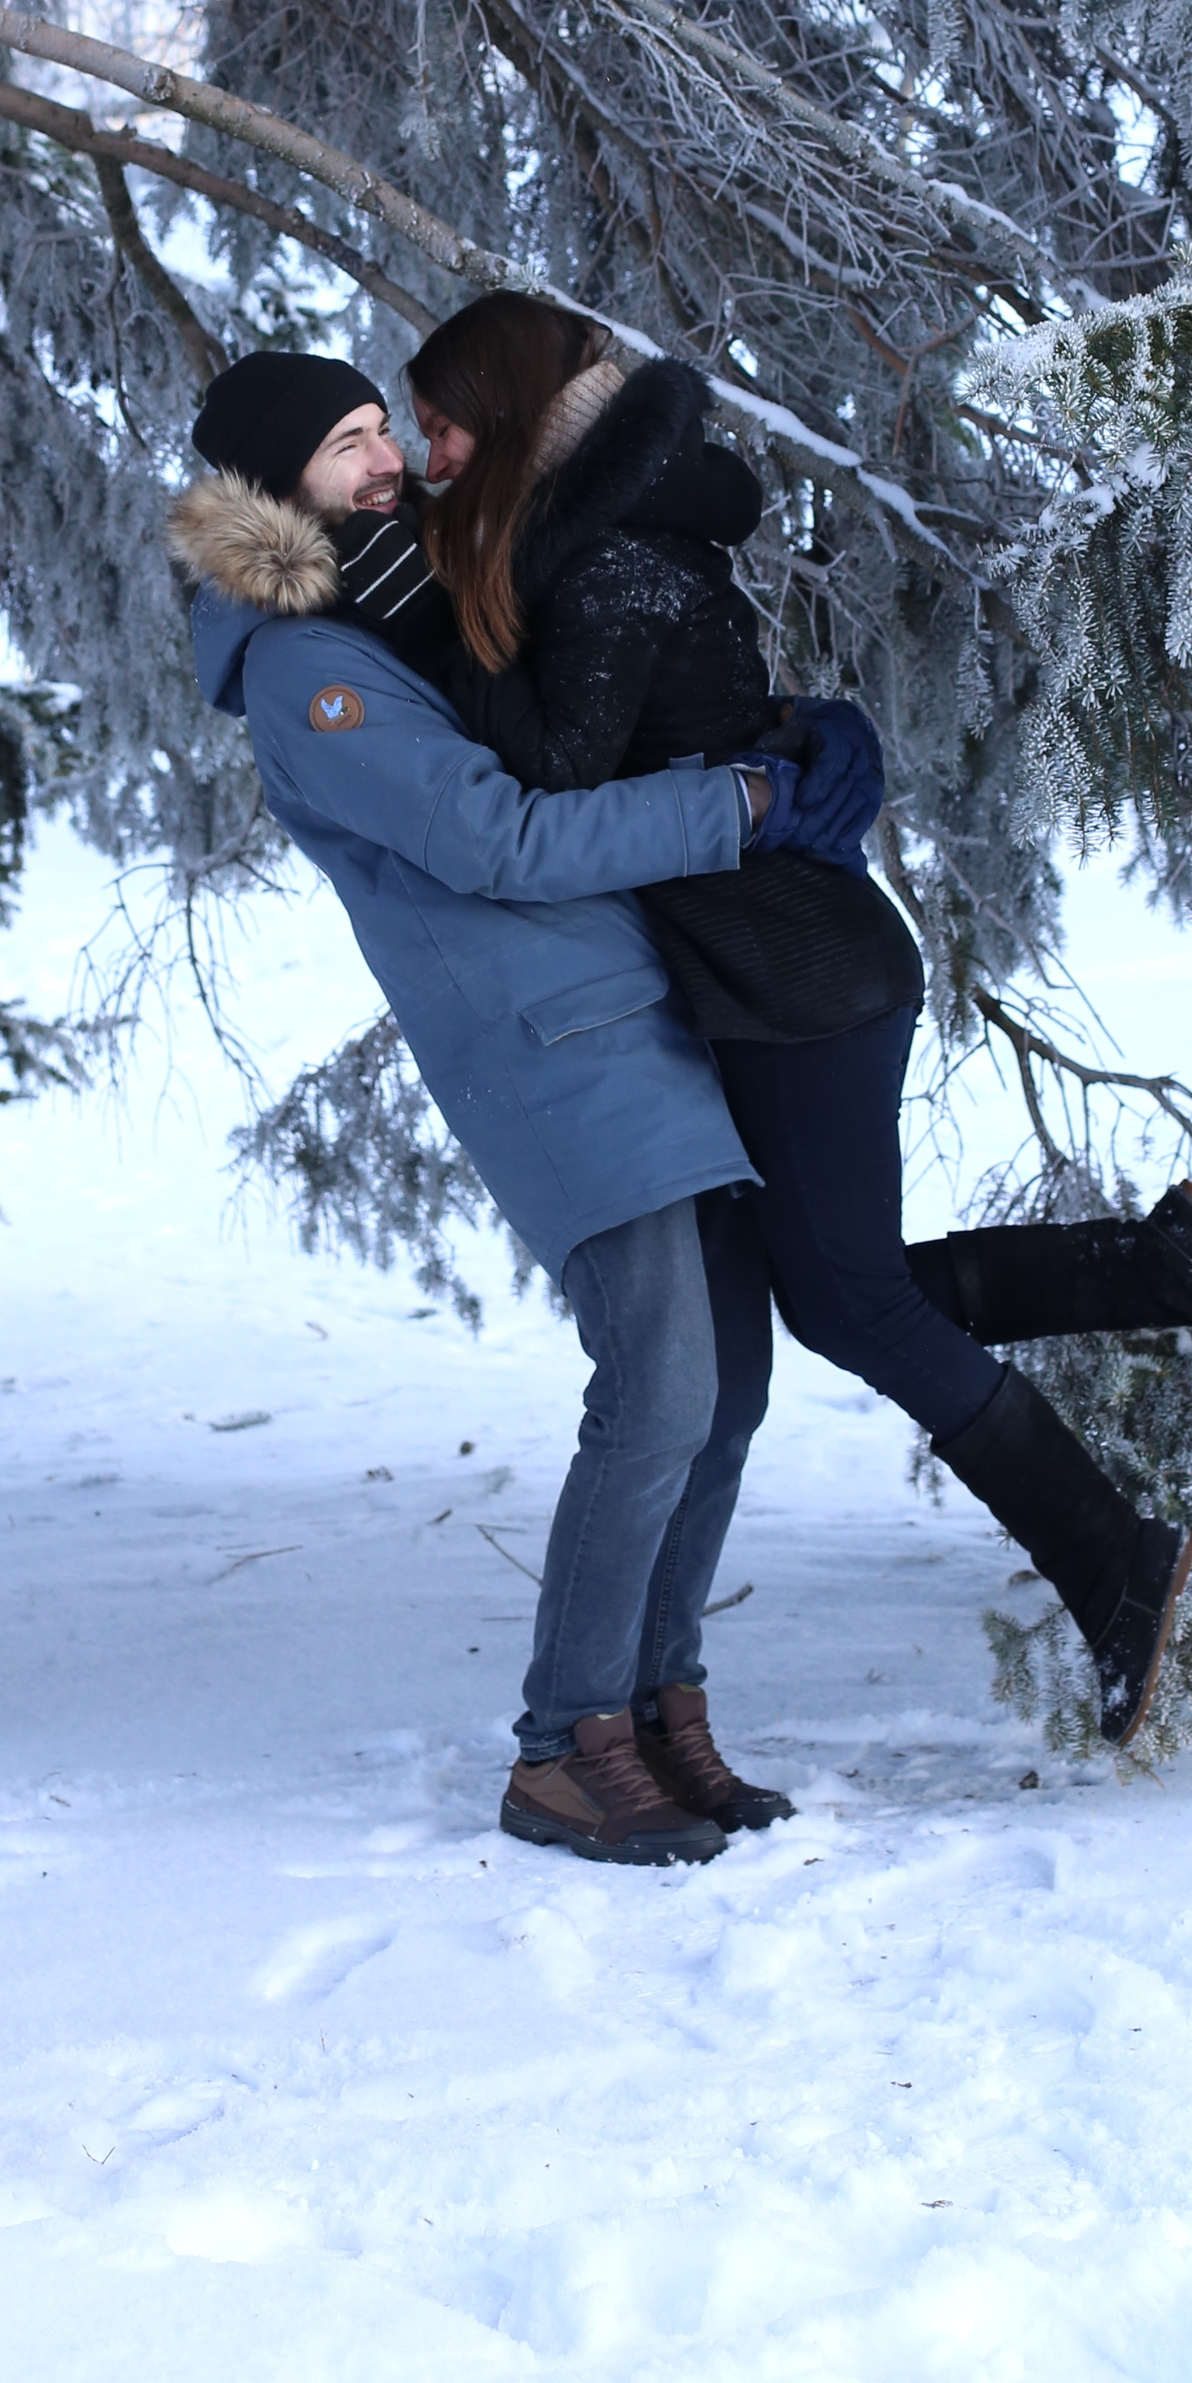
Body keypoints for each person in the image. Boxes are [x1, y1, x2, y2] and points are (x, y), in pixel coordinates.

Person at [407, 296, 1192, 1751]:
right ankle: (1163, 1267)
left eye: (447, 427)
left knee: (847, 1300)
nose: (429, 456)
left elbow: (558, 787)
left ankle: (1113, 1557)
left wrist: (450, 639)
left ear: (514, 419)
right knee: (837, 1284)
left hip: (794, 980)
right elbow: (682, 724)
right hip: (793, 967)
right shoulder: (630, 542)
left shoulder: (606, 567)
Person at [167, 345, 862, 1868]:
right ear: (274, 484)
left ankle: (661, 1710)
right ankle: (565, 1748)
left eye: (383, 433)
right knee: (661, 1396)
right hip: (555, 1049)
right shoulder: (309, 669)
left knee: (726, 1396)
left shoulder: (399, 609)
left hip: (644, 1015)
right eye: (350, 444)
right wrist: (736, 808)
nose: (387, 463)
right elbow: (497, 840)